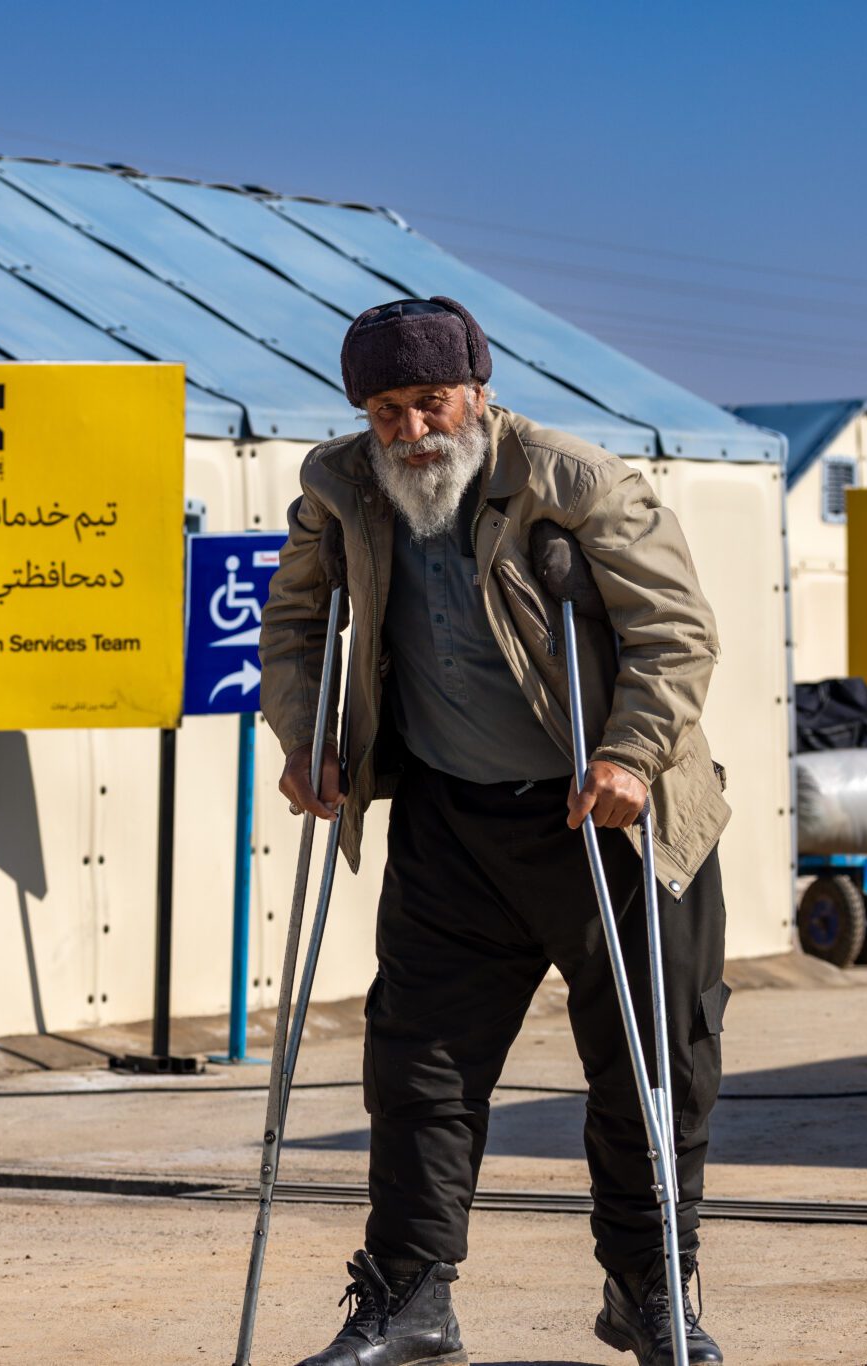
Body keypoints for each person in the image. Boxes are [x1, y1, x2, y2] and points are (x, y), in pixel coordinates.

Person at [259, 297, 731, 1366]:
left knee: (650, 1063)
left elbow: (676, 632)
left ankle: (648, 1286)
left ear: (476, 390)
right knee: (416, 1065)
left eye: (429, 403)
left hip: (606, 820)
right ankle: (410, 1297)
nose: (411, 432)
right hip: (448, 822)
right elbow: (295, 623)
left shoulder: (577, 482)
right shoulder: (338, 491)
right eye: (386, 411)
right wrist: (305, 737)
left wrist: (626, 753)